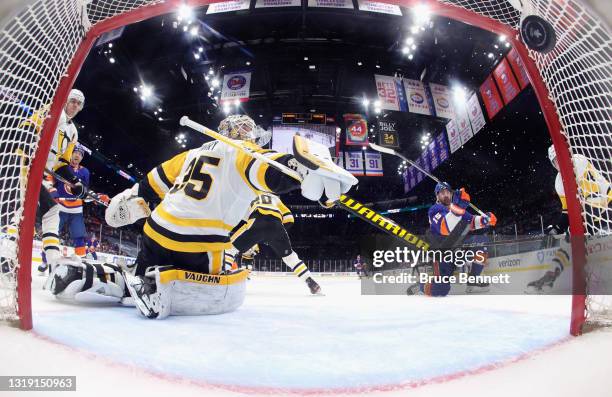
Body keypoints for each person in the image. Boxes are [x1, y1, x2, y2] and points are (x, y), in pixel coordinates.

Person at [47, 114, 356, 318]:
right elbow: (271, 171)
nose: (252, 135)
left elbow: (149, 186)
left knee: (143, 267)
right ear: (234, 131)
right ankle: (156, 287)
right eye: (247, 129)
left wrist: (127, 200)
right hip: (198, 246)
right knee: (230, 288)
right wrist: (301, 168)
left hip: (155, 232)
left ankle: (92, 274)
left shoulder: (191, 154)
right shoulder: (243, 153)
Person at [525, 145, 610, 293]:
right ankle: (551, 278)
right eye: (556, 160)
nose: (560, 163)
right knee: (568, 241)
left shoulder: (579, 162)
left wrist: (577, 227)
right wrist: (557, 228)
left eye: (560, 157)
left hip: (606, 202)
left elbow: (594, 197)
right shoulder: (559, 182)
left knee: (574, 237)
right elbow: (567, 211)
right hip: (590, 212)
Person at [409, 182, 496, 297]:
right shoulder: (435, 210)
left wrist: (485, 220)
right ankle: (420, 286)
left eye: (447, 192)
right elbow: (445, 228)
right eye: (442, 193)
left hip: (457, 250)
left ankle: (473, 281)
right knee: (441, 290)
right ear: (437, 196)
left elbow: (472, 222)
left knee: (481, 241)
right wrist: (458, 208)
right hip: (442, 254)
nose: (445, 195)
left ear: (451, 194)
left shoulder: (456, 209)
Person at [225, 192, 322, 294]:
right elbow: (289, 218)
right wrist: (277, 234)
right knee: (290, 258)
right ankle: (310, 282)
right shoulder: (276, 199)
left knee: (230, 248)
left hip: (256, 220)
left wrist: (255, 236)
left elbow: (241, 216)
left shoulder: (251, 194)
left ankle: (223, 275)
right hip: (276, 225)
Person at [38, 146, 109, 273]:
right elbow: (48, 180)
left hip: (76, 209)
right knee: (52, 234)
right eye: (75, 153)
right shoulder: (61, 167)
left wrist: (96, 197)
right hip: (60, 206)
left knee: (79, 239)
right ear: (70, 154)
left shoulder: (85, 172)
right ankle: (45, 261)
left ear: (82, 158)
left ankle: (79, 269)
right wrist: (51, 191)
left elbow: (84, 192)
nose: (77, 156)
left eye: (80, 154)